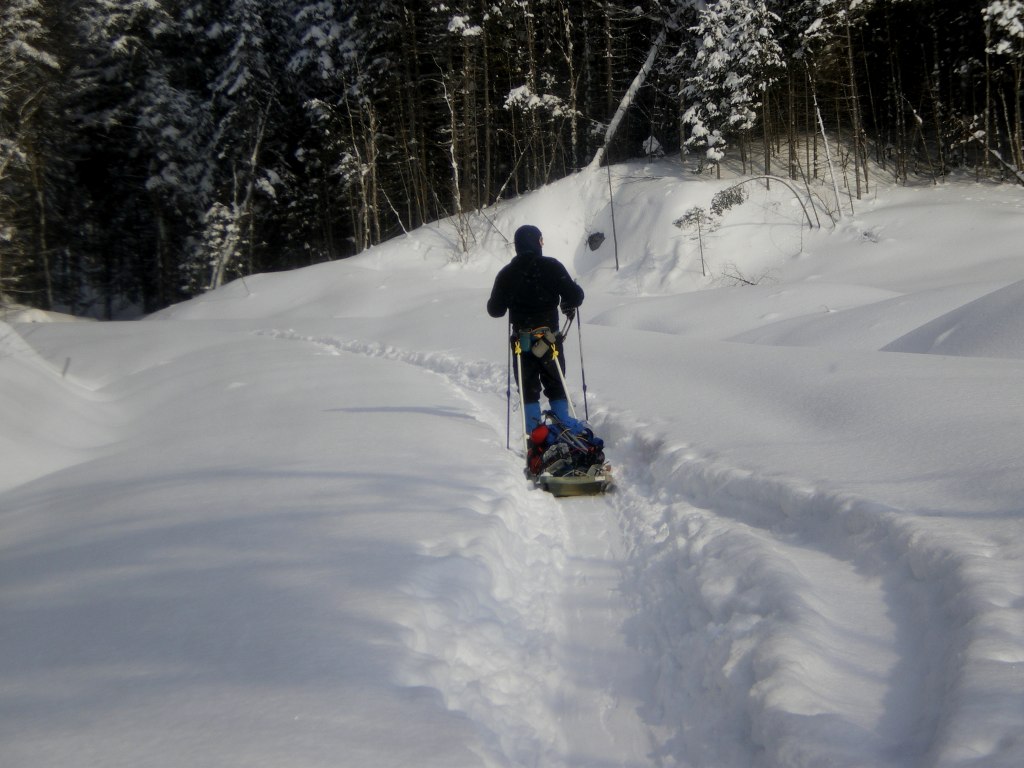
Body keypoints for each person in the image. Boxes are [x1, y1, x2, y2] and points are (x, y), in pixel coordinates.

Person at [487, 224, 584, 433]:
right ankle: (564, 429)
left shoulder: (506, 274)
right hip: (550, 340)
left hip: (521, 342)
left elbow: (495, 310)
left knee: (528, 389)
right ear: (537, 242)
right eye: (541, 240)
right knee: (556, 384)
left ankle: (534, 435)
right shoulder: (552, 266)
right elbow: (576, 296)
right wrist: (566, 300)